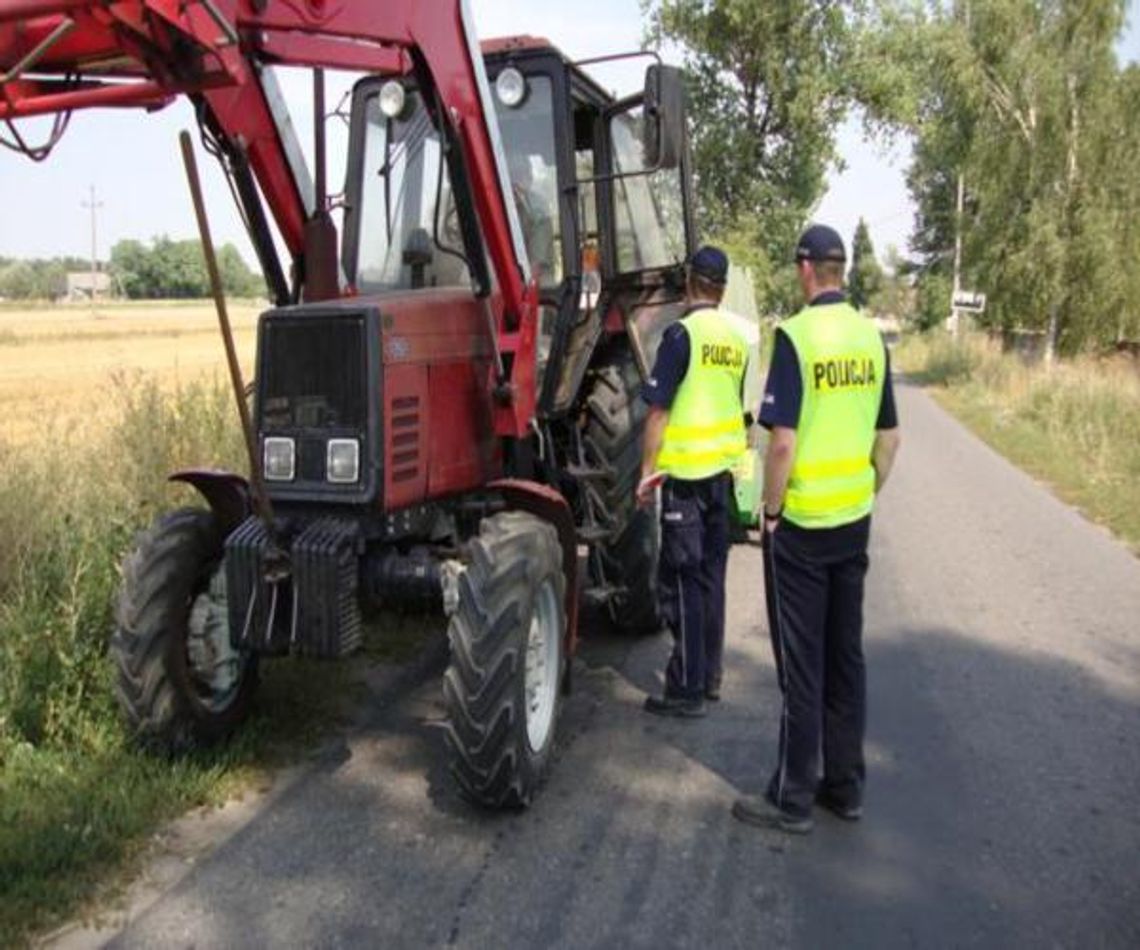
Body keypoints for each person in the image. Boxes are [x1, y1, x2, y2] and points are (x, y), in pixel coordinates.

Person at [732, 224, 901, 834]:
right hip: (852, 524)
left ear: (806, 269)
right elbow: (889, 440)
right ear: (843, 271)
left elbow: (781, 444)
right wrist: (864, 492)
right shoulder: (871, 339)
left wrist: (769, 512)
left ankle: (792, 797)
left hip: (800, 526)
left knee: (802, 665)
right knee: (845, 658)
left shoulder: (798, 339)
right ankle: (845, 787)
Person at [636, 245, 749, 717]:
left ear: (689, 282)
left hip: (685, 479)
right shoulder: (737, 339)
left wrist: (646, 473)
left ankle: (685, 689)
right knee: (711, 579)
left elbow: (659, 412)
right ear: (721, 288)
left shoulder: (681, 336)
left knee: (681, 581)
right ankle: (711, 676)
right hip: (722, 477)